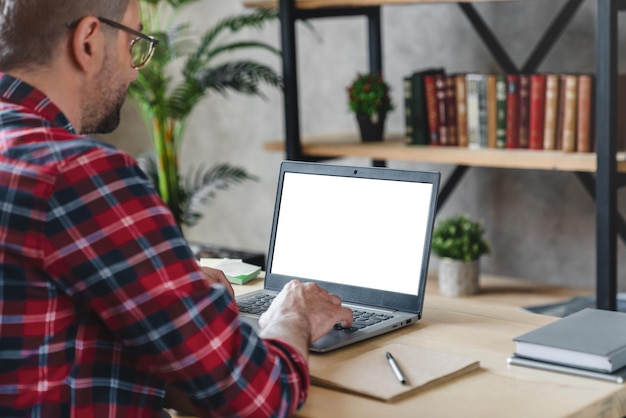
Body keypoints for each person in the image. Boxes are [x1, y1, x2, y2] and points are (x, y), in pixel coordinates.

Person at [0, 0, 353, 417]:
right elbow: (259, 399)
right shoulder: (80, 174)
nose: (137, 69)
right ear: (89, 41)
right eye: (134, 42)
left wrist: (163, 290)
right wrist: (293, 315)